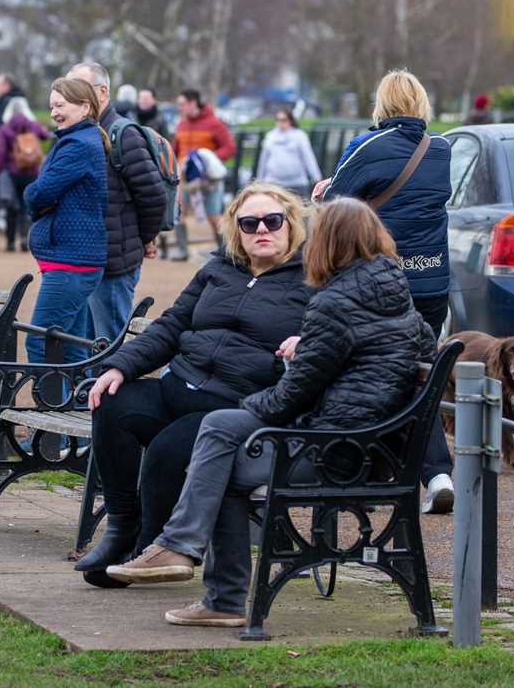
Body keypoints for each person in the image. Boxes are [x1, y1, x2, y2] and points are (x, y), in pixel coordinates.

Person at [105, 199, 434, 627]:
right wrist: (316, 351)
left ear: (329, 243)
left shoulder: (334, 302)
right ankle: (183, 554)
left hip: (335, 449)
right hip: (370, 441)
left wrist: (256, 398)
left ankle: (212, 586)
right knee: (220, 428)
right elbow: (422, 348)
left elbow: (287, 400)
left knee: (222, 447)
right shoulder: (392, 291)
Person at [76, 183, 312, 586]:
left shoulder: (310, 281)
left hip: (232, 406)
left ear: (290, 225)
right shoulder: (218, 269)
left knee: (168, 450)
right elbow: (171, 325)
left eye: (272, 221)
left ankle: (152, 549)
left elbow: (331, 339)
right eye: (249, 223)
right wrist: (119, 367)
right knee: (112, 403)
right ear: (235, 230)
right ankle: (121, 526)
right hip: (178, 386)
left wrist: (306, 345)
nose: (262, 230)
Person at [313, 69, 456, 515]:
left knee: (366, 374)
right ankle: (434, 474)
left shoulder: (369, 146)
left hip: (383, 280)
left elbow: (334, 204)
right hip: (433, 279)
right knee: (419, 375)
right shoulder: (442, 149)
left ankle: (369, 471)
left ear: (382, 104)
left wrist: (322, 192)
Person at [68, 62, 166, 343]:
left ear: (102, 92)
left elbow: (153, 194)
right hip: (85, 260)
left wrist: (143, 238)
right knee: (82, 345)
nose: (69, 95)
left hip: (114, 263)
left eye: (77, 88)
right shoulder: (81, 132)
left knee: (108, 344)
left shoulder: (123, 134)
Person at [22, 77, 108, 365]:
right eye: (51, 106)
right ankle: (77, 406)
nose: (54, 112)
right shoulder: (76, 140)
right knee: (71, 346)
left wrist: (33, 198)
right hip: (71, 259)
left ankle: (46, 409)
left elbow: (40, 192)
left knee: (40, 341)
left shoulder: (78, 146)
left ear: (85, 107)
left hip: (71, 262)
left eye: (60, 105)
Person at [171, 89, 235, 259]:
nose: (180, 108)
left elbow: (230, 147)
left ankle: (226, 252)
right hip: (186, 178)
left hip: (208, 180)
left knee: (213, 215)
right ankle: (182, 250)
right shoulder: (181, 123)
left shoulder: (215, 123)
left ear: (193, 103)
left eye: (182, 104)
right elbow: (176, 149)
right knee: (179, 212)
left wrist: (209, 159)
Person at [0, 102, 50, 252]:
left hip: (12, 173)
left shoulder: (5, 129)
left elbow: (1, 153)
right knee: (26, 208)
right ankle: (24, 239)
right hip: (31, 172)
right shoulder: (32, 125)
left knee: (12, 208)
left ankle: (10, 243)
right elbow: (44, 136)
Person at [255, 107, 320, 198]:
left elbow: (308, 157)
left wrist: (316, 177)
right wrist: (259, 181)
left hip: (297, 183)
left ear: (290, 121)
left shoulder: (299, 136)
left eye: (283, 120)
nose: (280, 123)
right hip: (274, 183)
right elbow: (263, 160)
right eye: (278, 120)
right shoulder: (270, 137)